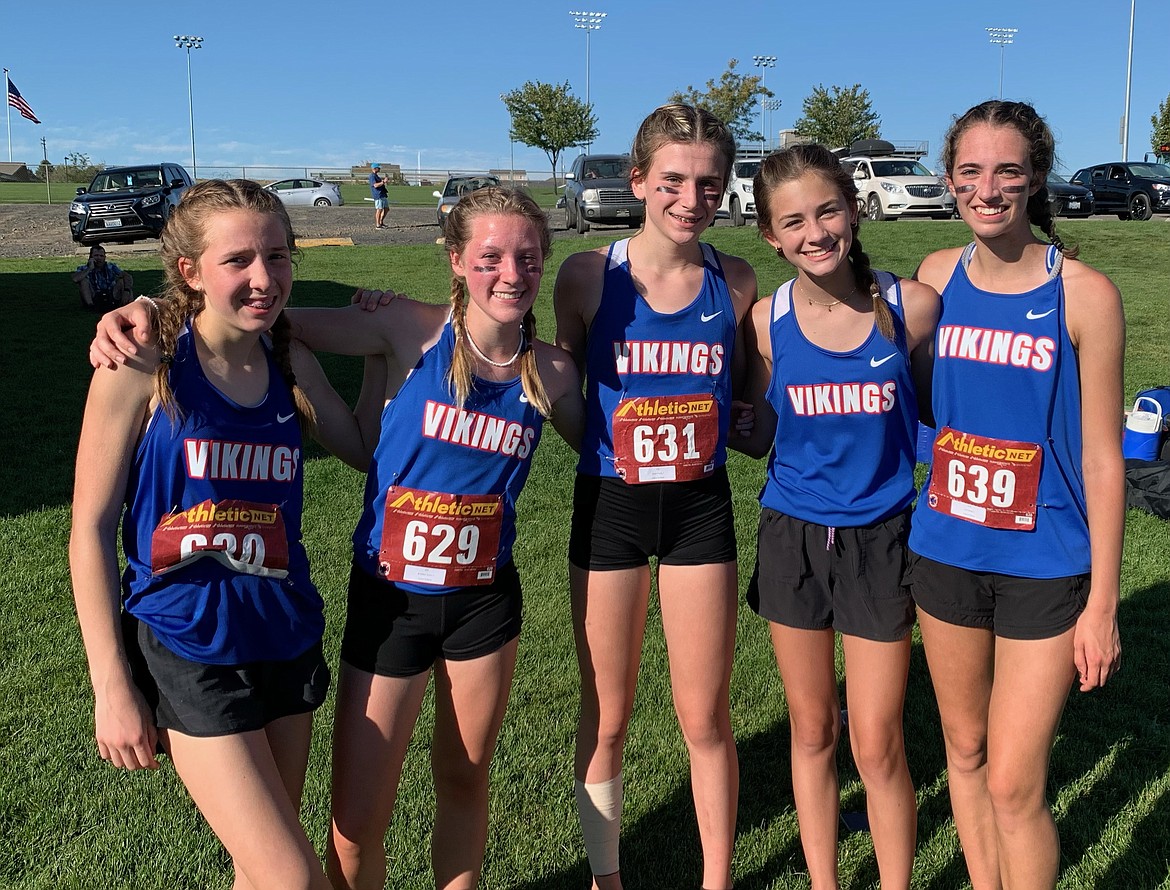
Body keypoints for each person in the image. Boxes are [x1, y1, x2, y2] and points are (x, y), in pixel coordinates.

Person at [89, 187, 585, 890]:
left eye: (528, 257)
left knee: (287, 857)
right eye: (491, 256)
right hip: (303, 618)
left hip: (327, 626)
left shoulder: (550, 371)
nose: (512, 272)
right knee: (319, 854)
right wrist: (143, 309)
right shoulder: (159, 359)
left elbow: (357, 439)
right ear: (455, 259)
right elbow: (259, 314)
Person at [71, 179, 381, 890]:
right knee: (291, 876)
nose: (264, 278)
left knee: (262, 868)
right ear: (189, 270)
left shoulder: (287, 359)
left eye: (278, 255)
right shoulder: (142, 363)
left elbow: (363, 445)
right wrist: (111, 684)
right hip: (187, 643)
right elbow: (88, 529)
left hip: (283, 632)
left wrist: (376, 349)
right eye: (238, 259)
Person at [908, 100, 1124, 888]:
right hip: (944, 552)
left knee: (1013, 781)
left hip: (1045, 562)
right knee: (963, 754)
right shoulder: (932, 280)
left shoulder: (1085, 295)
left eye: (1006, 170)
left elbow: (1105, 460)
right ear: (950, 178)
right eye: (970, 170)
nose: (987, 187)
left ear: (1035, 178)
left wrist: (1102, 603)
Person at [553, 103, 757, 890]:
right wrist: (616, 452)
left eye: (709, 184)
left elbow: (740, 397)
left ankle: (716, 880)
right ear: (638, 179)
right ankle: (608, 878)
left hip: (701, 509)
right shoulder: (585, 275)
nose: (690, 197)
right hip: (610, 507)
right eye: (672, 179)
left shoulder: (732, 280)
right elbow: (570, 395)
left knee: (704, 717)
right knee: (607, 714)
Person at [732, 144, 939, 890]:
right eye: (794, 221)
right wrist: (708, 416)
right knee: (814, 729)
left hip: (884, 539)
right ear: (771, 237)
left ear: (853, 209)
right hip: (791, 536)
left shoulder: (912, 307)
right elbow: (755, 435)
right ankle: (823, 882)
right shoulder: (765, 320)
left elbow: (936, 414)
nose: (815, 232)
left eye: (827, 211)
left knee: (878, 742)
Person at [73, 244, 133, 311]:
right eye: (96, 256)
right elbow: (75, 279)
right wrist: (90, 268)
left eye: (101, 256)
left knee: (123, 280)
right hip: (94, 296)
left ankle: (129, 306)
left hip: (110, 295)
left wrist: (126, 290)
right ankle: (90, 306)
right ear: (91, 257)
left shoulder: (111, 266)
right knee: (83, 281)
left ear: (104, 257)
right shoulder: (84, 268)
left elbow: (128, 276)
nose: (99, 258)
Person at [369, 163, 389, 229]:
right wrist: (383, 182)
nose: (379, 169)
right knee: (379, 209)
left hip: (382, 194)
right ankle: (378, 224)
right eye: (378, 168)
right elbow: (375, 185)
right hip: (378, 195)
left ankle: (381, 222)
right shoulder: (372, 176)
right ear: (374, 168)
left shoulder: (376, 176)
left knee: (386, 209)